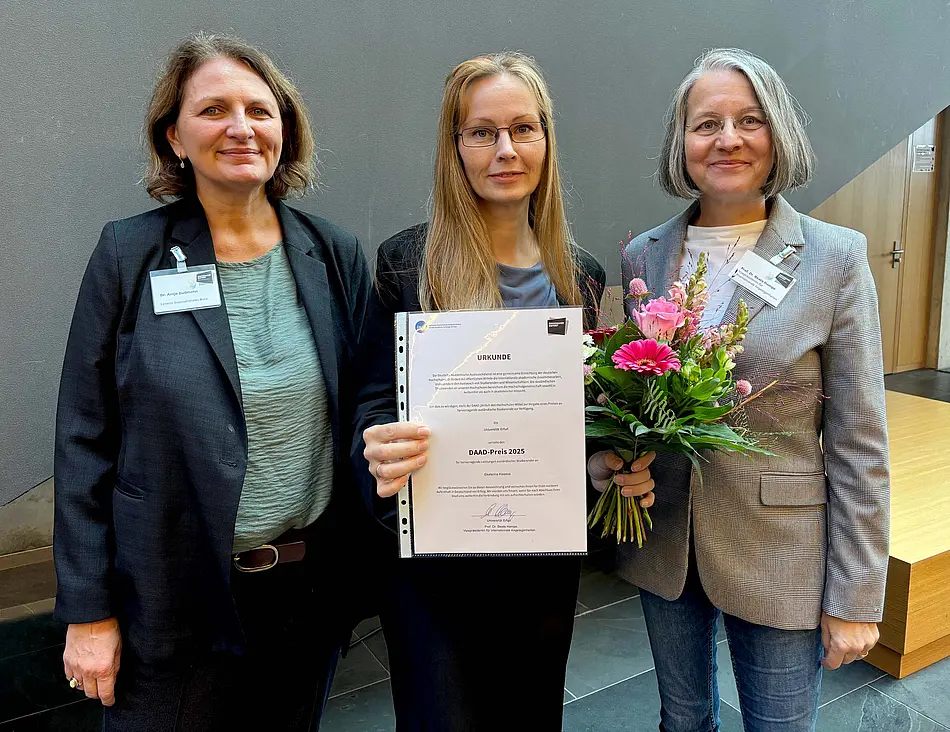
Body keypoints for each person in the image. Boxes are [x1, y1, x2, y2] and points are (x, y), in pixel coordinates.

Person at [54, 32, 376, 731]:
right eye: (214, 110)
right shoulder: (128, 254)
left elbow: (365, 406)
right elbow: (84, 438)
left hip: (304, 592)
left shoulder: (333, 253)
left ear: (284, 130)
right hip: (168, 597)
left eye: (260, 110)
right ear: (175, 135)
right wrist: (88, 610)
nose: (240, 127)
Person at [588, 48, 890, 732]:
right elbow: (629, 396)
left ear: (777, 133)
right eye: (706, 123)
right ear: (682, 142)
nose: (727, 139)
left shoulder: (833, 257)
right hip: (664, 538)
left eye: (748, 120)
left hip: (780, 546)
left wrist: (858, 595)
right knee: (682, 720)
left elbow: (859, 441)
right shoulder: (646, 254)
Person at [354, 52, 655, 731]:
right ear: (454, 147)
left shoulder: (578, 274)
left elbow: (575, 426)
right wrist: (376, 449)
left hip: (538, 565)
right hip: (432, 569)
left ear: (547, 139)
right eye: (482, 132)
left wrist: (601, 466)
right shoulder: (408, 264)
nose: (506, 149)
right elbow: (372, 405)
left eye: (523, 128)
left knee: (530, 715)